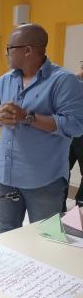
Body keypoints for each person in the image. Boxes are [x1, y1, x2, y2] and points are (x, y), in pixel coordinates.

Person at [0, 23, 83, 234]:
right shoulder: (5, 80)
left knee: (46, 238)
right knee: (7, 233)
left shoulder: (64, 81)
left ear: (27, 50)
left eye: (10, 48)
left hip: (43, 181)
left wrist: (27, 117)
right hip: (4, 177)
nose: (6, 53)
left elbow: (75, 126)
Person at [65, 68, 83, 209]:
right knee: (63, 170)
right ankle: (60, 206)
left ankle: (79, 206)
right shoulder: (75, 84)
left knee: (64, 170)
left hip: (74, 136)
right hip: (71, 136)